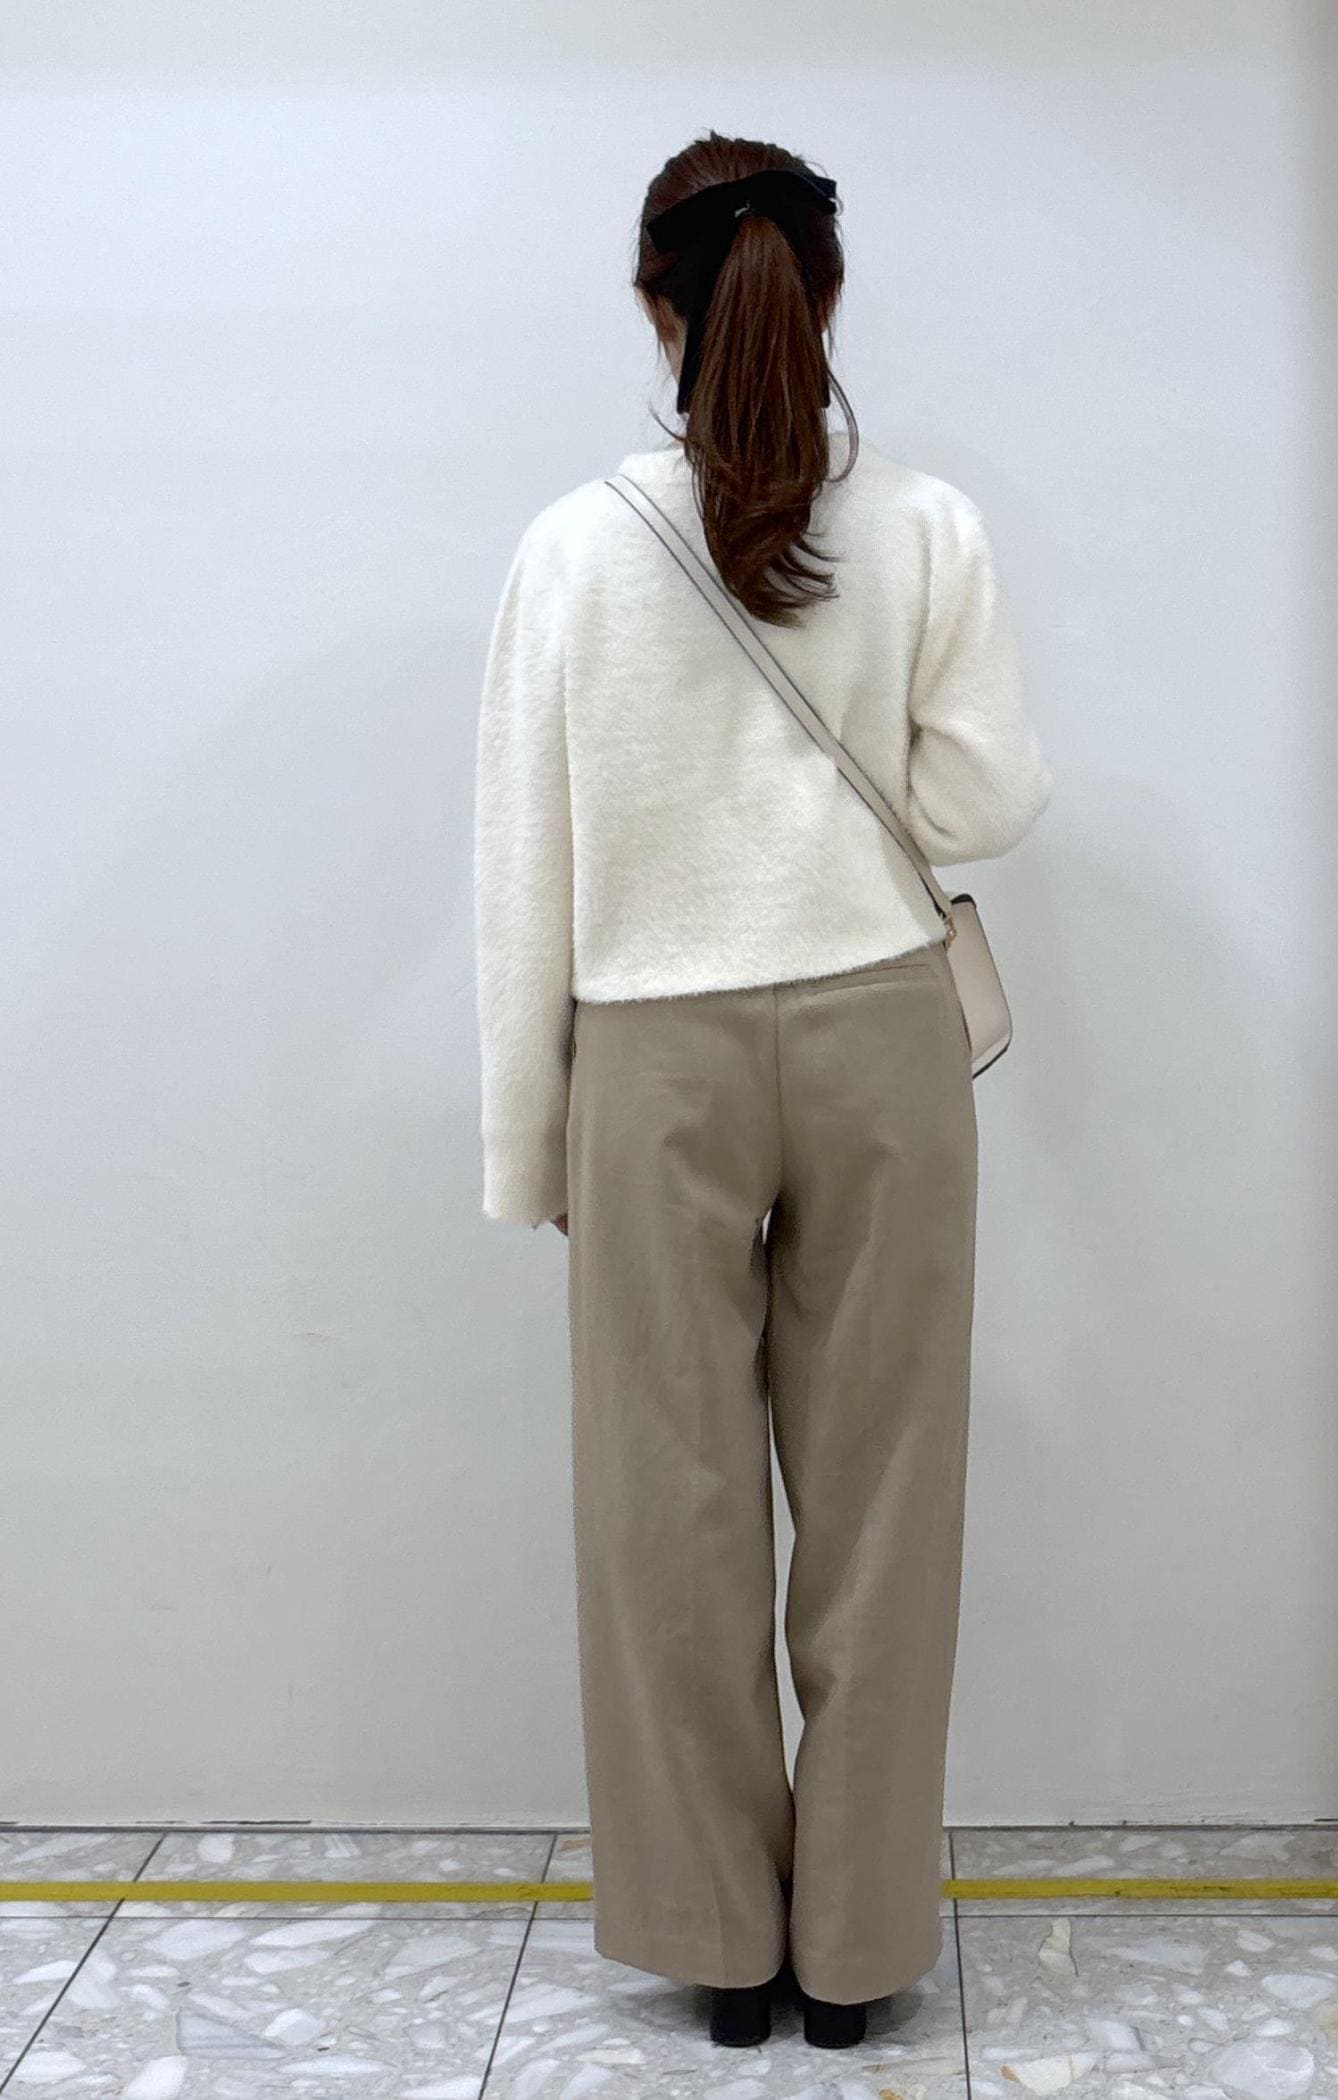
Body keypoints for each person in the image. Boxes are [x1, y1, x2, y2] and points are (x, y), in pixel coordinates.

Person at [473, 131, 1051, 2052]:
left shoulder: (572, 549)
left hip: (653, 1058)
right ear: (827, 292)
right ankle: (860, 1953)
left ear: (653, 301)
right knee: (886, 1503)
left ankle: (721, 1947)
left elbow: (525, 868)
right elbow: (988, 800)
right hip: (882, 1038)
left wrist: (526, 1139)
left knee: (668, 1506)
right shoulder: (928, 525)